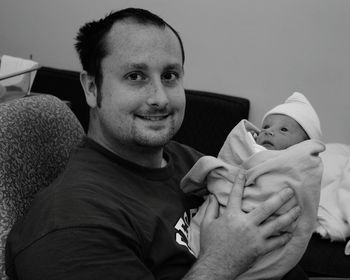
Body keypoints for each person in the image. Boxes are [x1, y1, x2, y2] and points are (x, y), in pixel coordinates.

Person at [5, 8, 304, 280]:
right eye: (135, 76)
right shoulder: (70, 228)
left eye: (170, 76)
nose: (160, 98)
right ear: (92, 88)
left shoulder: (185, 160)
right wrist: (222, 261)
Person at [181, 92, 325, 279]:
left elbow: (299, 195)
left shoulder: (300, 165)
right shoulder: (249, 151)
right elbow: (231, 170)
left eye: (284, 130)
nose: (268, 131)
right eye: (266, 126)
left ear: (304, 145)